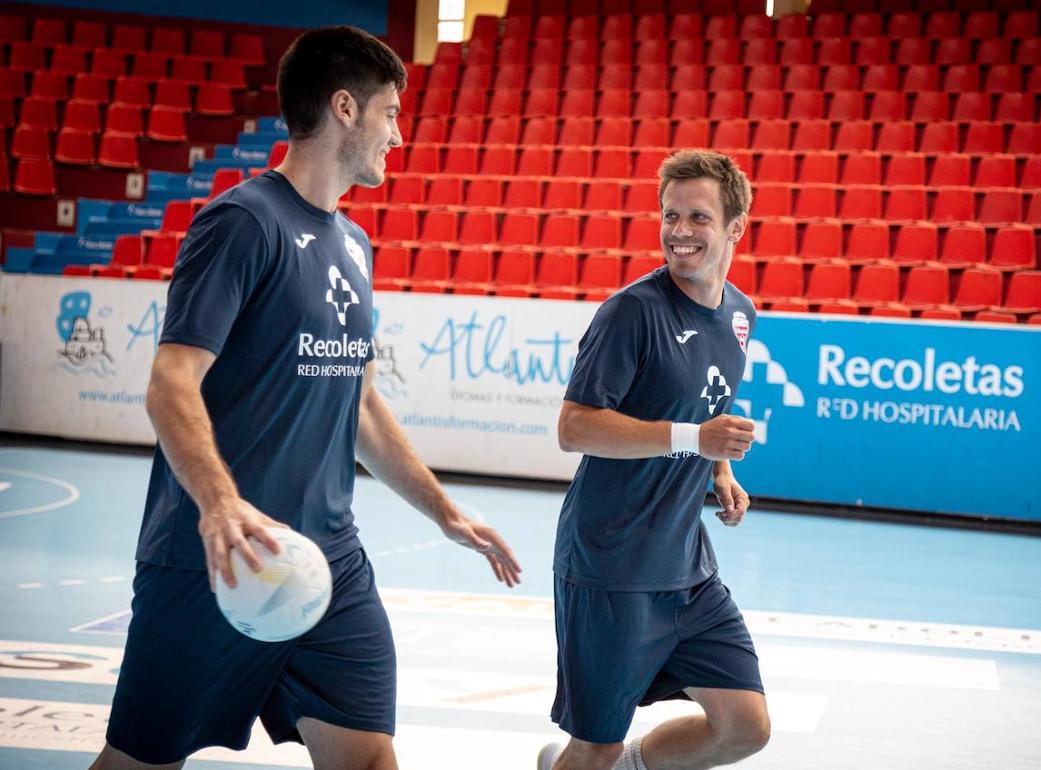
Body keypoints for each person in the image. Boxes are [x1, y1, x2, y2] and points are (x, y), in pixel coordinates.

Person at [91, 26, 521, 770]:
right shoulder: (242, 222)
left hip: (329, 563)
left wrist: (445, 510)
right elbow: (170, 382)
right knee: (138, 764)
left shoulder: (355, 245)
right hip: (219, 562)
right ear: (345, 108)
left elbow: (359, 406)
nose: (399, 132)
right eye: (391, 112)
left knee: (368, 758)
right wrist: (220, 504)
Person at [539, 150, 770, 770]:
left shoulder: (741, 314)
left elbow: (706, 404)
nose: (680, 231)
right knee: (593, 745)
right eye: (670, 215)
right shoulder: (631, 314)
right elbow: (573, 427)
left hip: (687, 568)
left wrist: (720, 469)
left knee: (745, 726)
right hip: (610, 564)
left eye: (698, 216)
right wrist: (697, 441)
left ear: (734, 228)